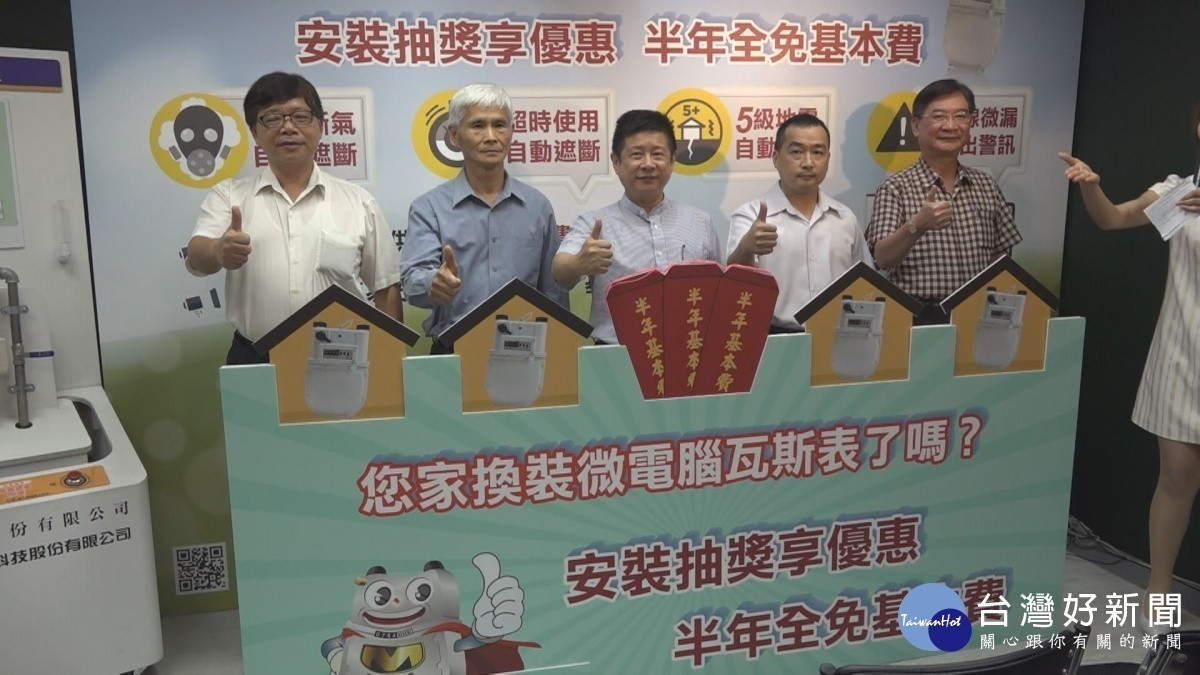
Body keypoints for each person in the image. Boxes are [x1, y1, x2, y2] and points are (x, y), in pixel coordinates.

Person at [1061, 130, 1200, 633]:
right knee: (1177, 477)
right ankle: (1158, 592)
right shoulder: (1180, 193)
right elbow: (1114, 218)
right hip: (1182, 354)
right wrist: (1091, 187)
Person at [186, 71, 402, 365]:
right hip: (254, 356)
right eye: (273, 118)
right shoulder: (229, 196)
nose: (288, 128)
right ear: (255, 132)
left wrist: (388, 360)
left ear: (320, 127)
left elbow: (385, 286)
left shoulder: (359, 202)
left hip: (341, 358)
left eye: (301, 116)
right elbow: (197, 257)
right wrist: (217, 250)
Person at [400, 83, 566, 353]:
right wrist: (433, 283)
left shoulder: (537, 206)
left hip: (526, 351)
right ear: (454, 135)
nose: (490, 136)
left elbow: (554, 293)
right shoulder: (429, 208)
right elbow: (412, 281)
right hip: (454, 351)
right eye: (477, 126)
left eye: (499, 125)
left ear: (511, 132)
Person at [553, 109, 721, 344]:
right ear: (616, 162)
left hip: (690, 351)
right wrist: (579, 263)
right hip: (616, 355)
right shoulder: (594, 223)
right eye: (637, 154)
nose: (648, 164)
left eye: (658, 154)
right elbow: (560, 271)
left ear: (673, 160)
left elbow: (720, 291)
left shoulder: (701, 222)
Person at [865, 79, 1021, 323]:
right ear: (916, 126)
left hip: (978, 313)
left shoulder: (986, 185)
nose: (951, 125)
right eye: (939, 116)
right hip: (917, 315)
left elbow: (1001, 255)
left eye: (961, 116)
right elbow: (882, 258)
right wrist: (917, 225)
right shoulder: (895, 188)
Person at [727, 113, 871, 332]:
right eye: (796, 152)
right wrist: (746, 248)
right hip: (773, 335)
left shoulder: (845, 218)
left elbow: (865, 282)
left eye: (818, 152)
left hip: (837, 336)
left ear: (828, 158)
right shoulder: (749, 216)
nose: (808, 163)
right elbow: (734, 287)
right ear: (776, 158)